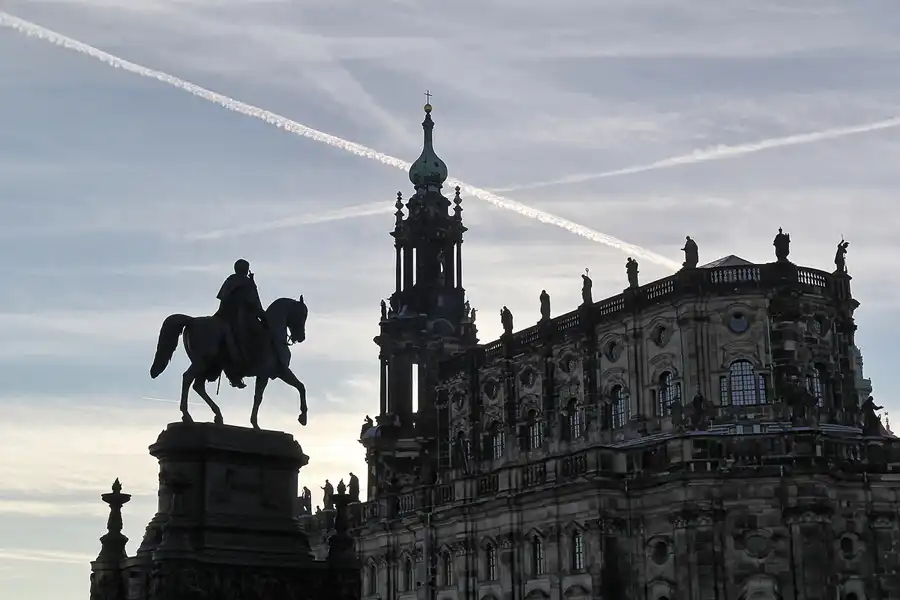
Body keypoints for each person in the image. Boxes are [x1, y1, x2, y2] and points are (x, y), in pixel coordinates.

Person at [215, 259, 267, 389]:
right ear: (245, 269)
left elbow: (223, 297)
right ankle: (254, 363)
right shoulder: (247, 282)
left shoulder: (230, 279)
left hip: (223, 315)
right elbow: (254, 302)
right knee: (261, 334)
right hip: (241, 317)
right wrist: (263, 315)